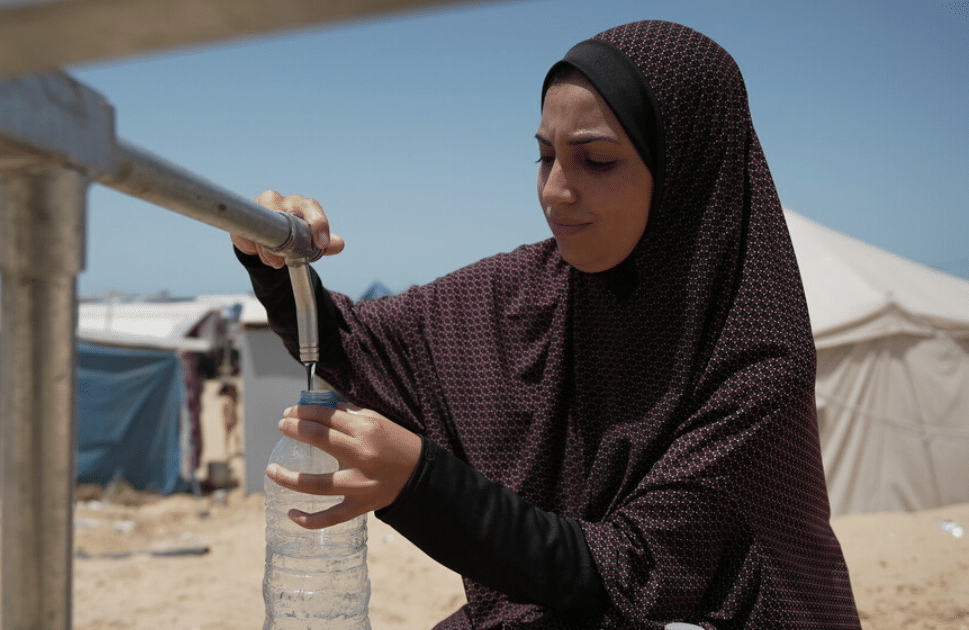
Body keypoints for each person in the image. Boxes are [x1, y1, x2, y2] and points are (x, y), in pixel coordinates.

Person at [232, 20, 862, 630]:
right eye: (544, 157)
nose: (555, 191)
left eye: (596, 161)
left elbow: (630, 573)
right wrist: (273, 253)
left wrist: (422, 483)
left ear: (683, 171)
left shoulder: (752, 360)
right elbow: (356, 343)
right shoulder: (528, 291)